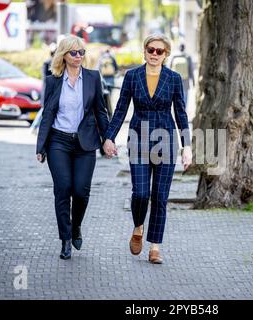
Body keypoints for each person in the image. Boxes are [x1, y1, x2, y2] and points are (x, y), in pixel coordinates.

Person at [102, 34, 192, 264]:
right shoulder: (132, 76)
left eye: (159, 51)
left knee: (160, 198)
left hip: (166, 141)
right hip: (138, 140)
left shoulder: (173, 78)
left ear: (166, 54)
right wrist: (109, 137)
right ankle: (138, 226)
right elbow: (121, 109)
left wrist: (187, 146)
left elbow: (181, 113)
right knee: (141, 194)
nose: (154, 54)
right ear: (144, 51)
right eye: (150, 50)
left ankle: (155, 247)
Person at [36, 35, 110, 260]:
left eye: (81, 52)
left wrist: (108, 139)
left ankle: (75, 226)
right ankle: (66, 239)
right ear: (64, 55)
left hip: (85, 142)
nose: (78, 56)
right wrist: (41, 146)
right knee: (63, 188)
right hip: (58, 141)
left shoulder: (93, 78)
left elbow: (100, 111)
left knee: (81, 191)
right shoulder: (53, 80)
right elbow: (47, 114)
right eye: (73, 53)